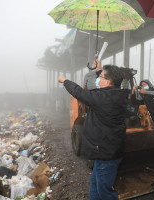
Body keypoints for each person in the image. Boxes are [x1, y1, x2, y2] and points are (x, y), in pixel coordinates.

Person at [58, 64, 129, 200]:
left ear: (107, 82)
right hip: (105, 151)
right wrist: (99, 70)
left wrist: (64, 81)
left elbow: (79, 93)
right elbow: (100, 88)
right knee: (95, 184)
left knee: (104, 192)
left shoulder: (103, 99)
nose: (98, 79)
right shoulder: (116, 94)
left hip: (106, 154)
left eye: (101, 77)